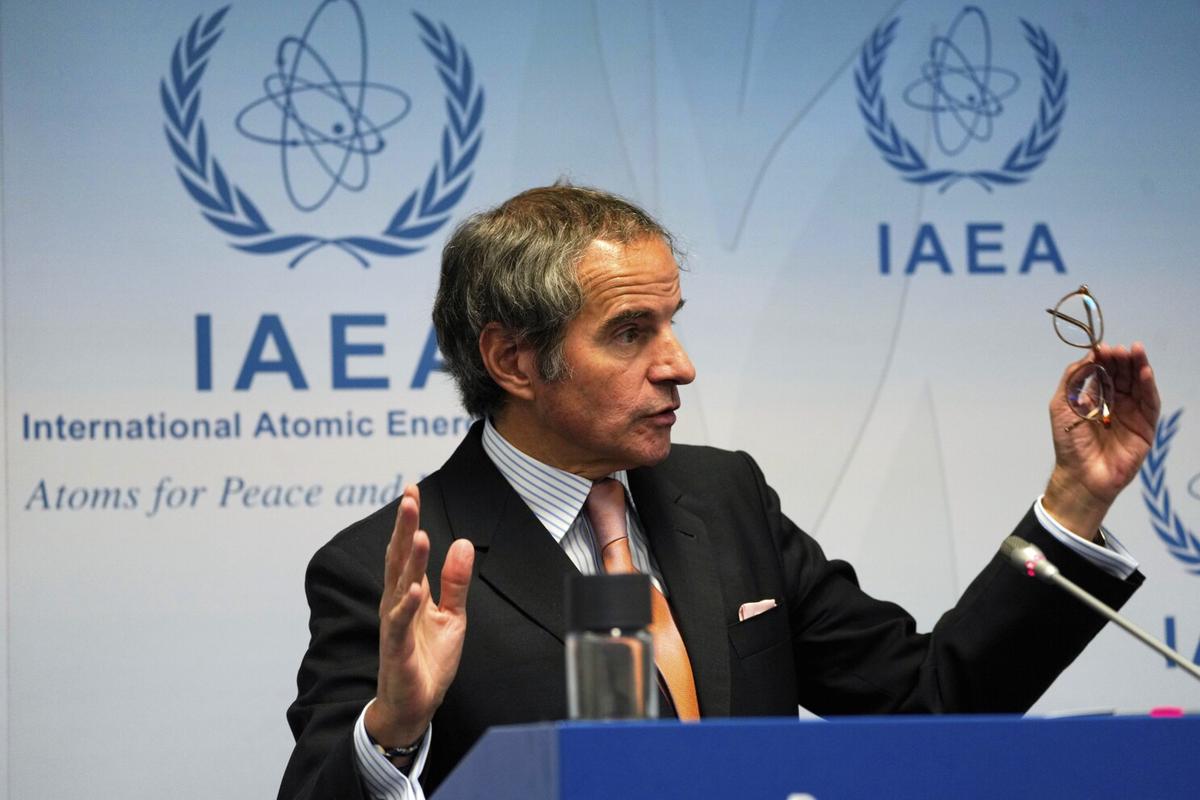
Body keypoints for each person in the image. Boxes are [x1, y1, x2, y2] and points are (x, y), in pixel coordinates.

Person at [277, 185, 1159, 799]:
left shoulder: (723, 495)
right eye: (631, 332)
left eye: (672, 322)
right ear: (514, 360)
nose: (680, 365)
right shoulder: (387, 569)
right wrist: (393, 730)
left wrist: (1075, 502)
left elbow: (927, 703)